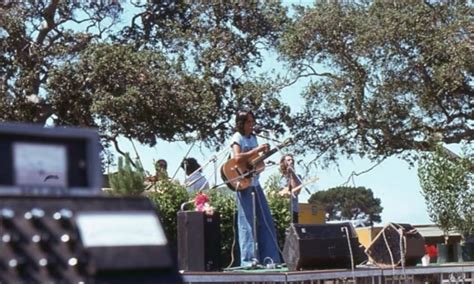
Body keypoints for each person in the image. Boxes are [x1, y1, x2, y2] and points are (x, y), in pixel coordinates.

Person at [230, 110, 281, 267]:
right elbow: (237, 158)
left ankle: (271, 258)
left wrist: (262, 156)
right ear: (241, 123)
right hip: (243, 184)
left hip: (255, 184)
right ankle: (248, 260)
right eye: (249, 122)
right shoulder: (237, 137)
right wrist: (257, 150)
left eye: (253, 122)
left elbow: (256, 162)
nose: (252, 125)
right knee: (247, 223)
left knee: (266, 219)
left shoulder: (254, 138)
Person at [279, 154, 302, 224]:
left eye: (292, 160)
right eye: (288, 160)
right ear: (284, 163)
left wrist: (292, 174)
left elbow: (296, 191)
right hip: (284, 210)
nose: (291, 161)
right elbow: (282, 193)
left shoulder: (298, 177)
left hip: (293, 210)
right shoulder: (281, 178)